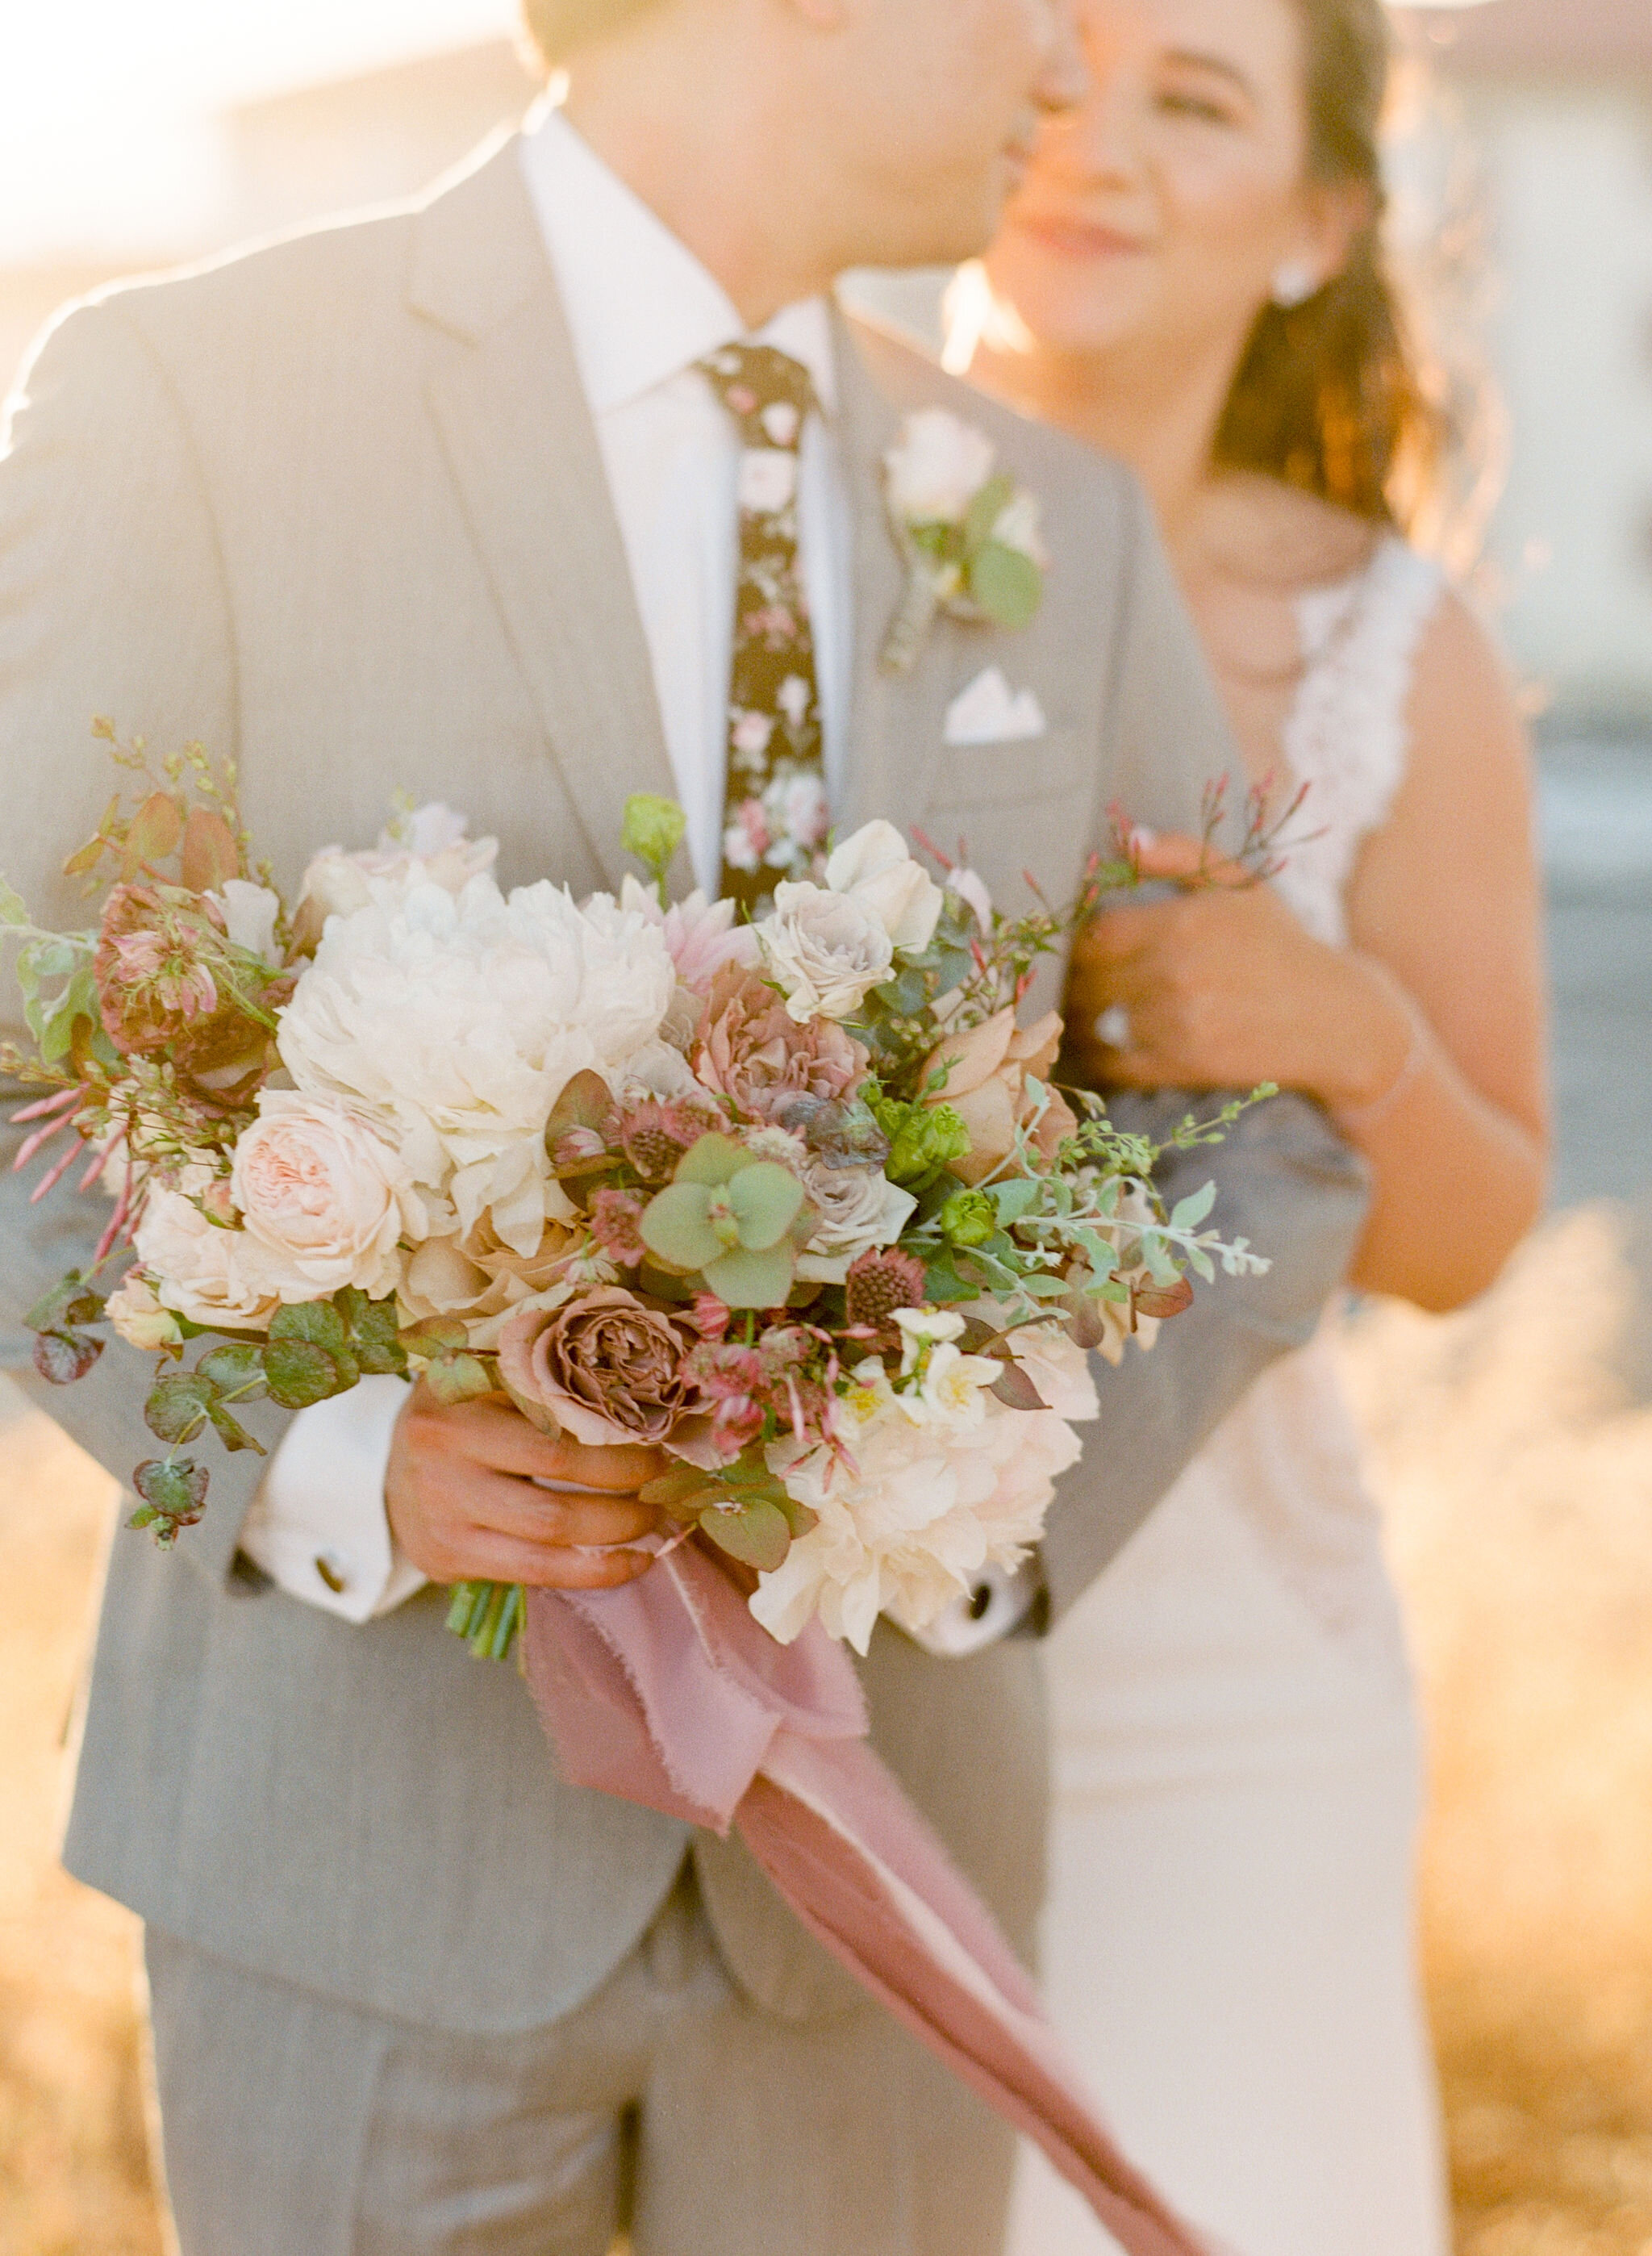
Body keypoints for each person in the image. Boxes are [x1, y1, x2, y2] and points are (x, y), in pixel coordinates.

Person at [0, 1, 1370, 2250]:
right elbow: (8, 1069)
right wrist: (334, 1457)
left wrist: (986, 1507)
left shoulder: (1046, 515)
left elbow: (1271, 1130)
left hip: (875, 1888)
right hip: (356, 1864)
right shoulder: (196, 403)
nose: (1060, 67)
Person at [955, 0, 1549, 2249]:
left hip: (1226, 1707)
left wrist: (1344, 1027)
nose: (1090, 141)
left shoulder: (1400, 650)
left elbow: (1470, 1230)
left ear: (1317, 222)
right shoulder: (768, 535)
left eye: (1192, 101)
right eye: (1060, 65)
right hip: (779, 1659)